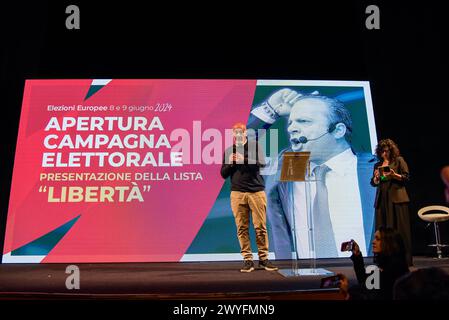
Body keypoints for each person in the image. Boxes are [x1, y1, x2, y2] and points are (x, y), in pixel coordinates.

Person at [265, 94, 376, 259]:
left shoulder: (373, 169)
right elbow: (240, 148)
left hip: (366, 277)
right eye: (291, 123)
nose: (291, 128)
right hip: (303, 279)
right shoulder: (293, 165)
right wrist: (269, 110)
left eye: (304, 121)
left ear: (338, 130)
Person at [220, 122, 278, 272]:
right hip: (237, 194)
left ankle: (264, 259)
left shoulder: (254, 147)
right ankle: (247, 260)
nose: (238, 135)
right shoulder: (229, 151)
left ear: (245, 134)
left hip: (256, 192)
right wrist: (231, 163)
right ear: (233, 135)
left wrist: (242, 159)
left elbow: (261, 164)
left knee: (260, 227)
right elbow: (223, 174)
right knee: (242, 228)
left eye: (241, 132)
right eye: (235, 133)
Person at [371, 139, 412, 265]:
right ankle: (383, 260)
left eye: (386, 151)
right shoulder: (377, 165)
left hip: (397, 199)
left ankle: (404, 261)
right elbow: (373, 183)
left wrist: (394, 175)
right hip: (382, 199)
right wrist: (376, 178)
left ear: (391, 150)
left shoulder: (399, 161)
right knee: (382, 230)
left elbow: (406, 177)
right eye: (382, 151)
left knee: (399, 230)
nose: (384, 154)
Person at [339, 227, 410, 300]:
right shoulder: (385, 264)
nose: (373, 241)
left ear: (389, 243)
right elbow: (366, 282)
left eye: (378, 239)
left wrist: (348, 294)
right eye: (374, 238)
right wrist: (357, 255)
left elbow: (374, 295)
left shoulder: (395, 269)